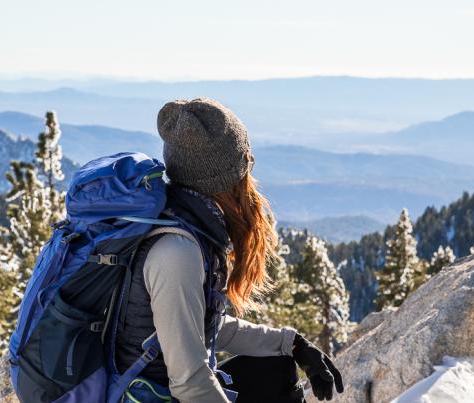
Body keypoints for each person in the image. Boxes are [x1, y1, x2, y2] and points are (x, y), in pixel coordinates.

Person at [114, 98, 343, 403]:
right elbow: (189, 381)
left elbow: (202, 326)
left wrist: (293, 344)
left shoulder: (185, 223)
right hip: (146, 394)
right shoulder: (176, 253)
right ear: (228, 178)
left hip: (154, 389)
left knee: (276, 367)